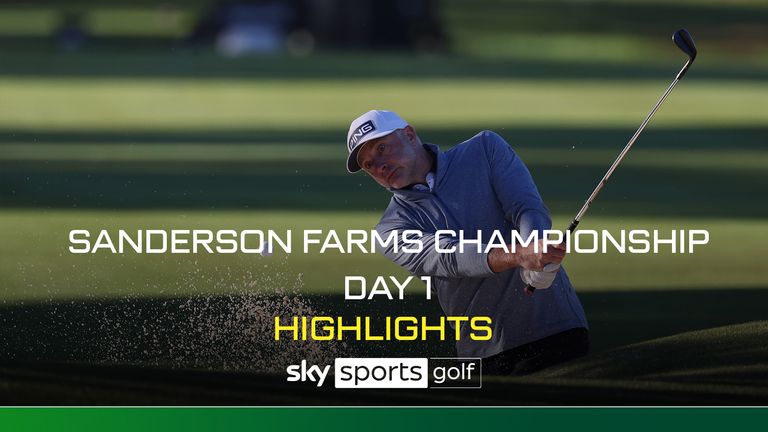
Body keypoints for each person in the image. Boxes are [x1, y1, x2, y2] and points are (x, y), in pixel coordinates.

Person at [345, 110, 589, 375]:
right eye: (369, 164)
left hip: (556, 327)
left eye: (382, 148)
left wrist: (535, 244)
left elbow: (526, 206)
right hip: (486, 355)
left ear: (409, 134)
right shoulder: (390, 231)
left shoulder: (484, 149)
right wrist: (520, 256)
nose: (379, 165)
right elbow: (450, 257)